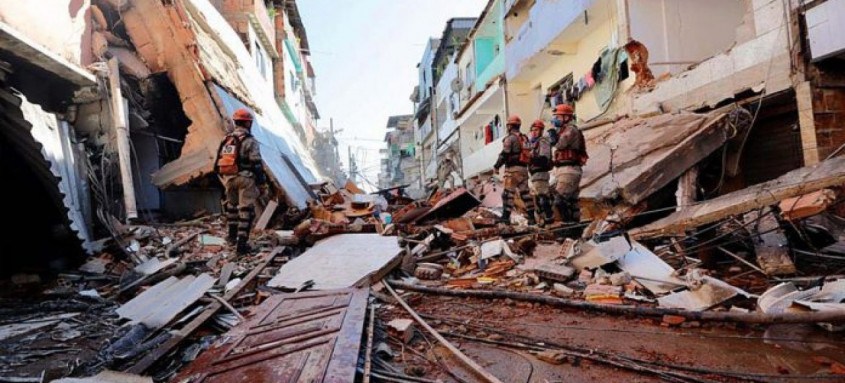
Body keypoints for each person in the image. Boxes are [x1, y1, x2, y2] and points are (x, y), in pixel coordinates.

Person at [214, 108, 266, 254]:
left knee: (232, 207)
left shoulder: (226, 140)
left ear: (236, 122)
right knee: (246, 211)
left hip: (229, 178)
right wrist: (261, 183)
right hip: (246, 178)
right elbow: (256, 164)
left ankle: (231, 237)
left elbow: (218, 161)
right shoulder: (250, 141)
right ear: (248, 124)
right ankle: (242, 245)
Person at [493, 115, 536, 225]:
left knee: (508, 194)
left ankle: (505, 218)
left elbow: (505, 153)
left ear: (510, 126)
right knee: (525, 194)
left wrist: (497, 166)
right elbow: (529, 153)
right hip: (523, 170)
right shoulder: (525, 138)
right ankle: (532, 218)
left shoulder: (510, 138)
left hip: (512, 170)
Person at [551, 104, 588, 232]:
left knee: (559, 200)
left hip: (570, 170)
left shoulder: (571, 130)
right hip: (564, 170)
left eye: (558, 117)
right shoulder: (563, 130)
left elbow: (560, 144)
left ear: (566, 117)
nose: (555, 119)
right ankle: (576, 230)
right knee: (572, 203)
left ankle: (569, 229)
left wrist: (553, 137)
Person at [528, 119, 554, 226]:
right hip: (534, 174)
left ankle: (549, 218)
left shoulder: (543, 141)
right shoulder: (532, 144)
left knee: (543, 198)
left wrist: (530, 158)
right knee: (538, 199)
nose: (534, 132)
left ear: (541, 131)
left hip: (541, 172)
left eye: (537, 130)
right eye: (533, 130)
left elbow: (544, 158)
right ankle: (544, 219)